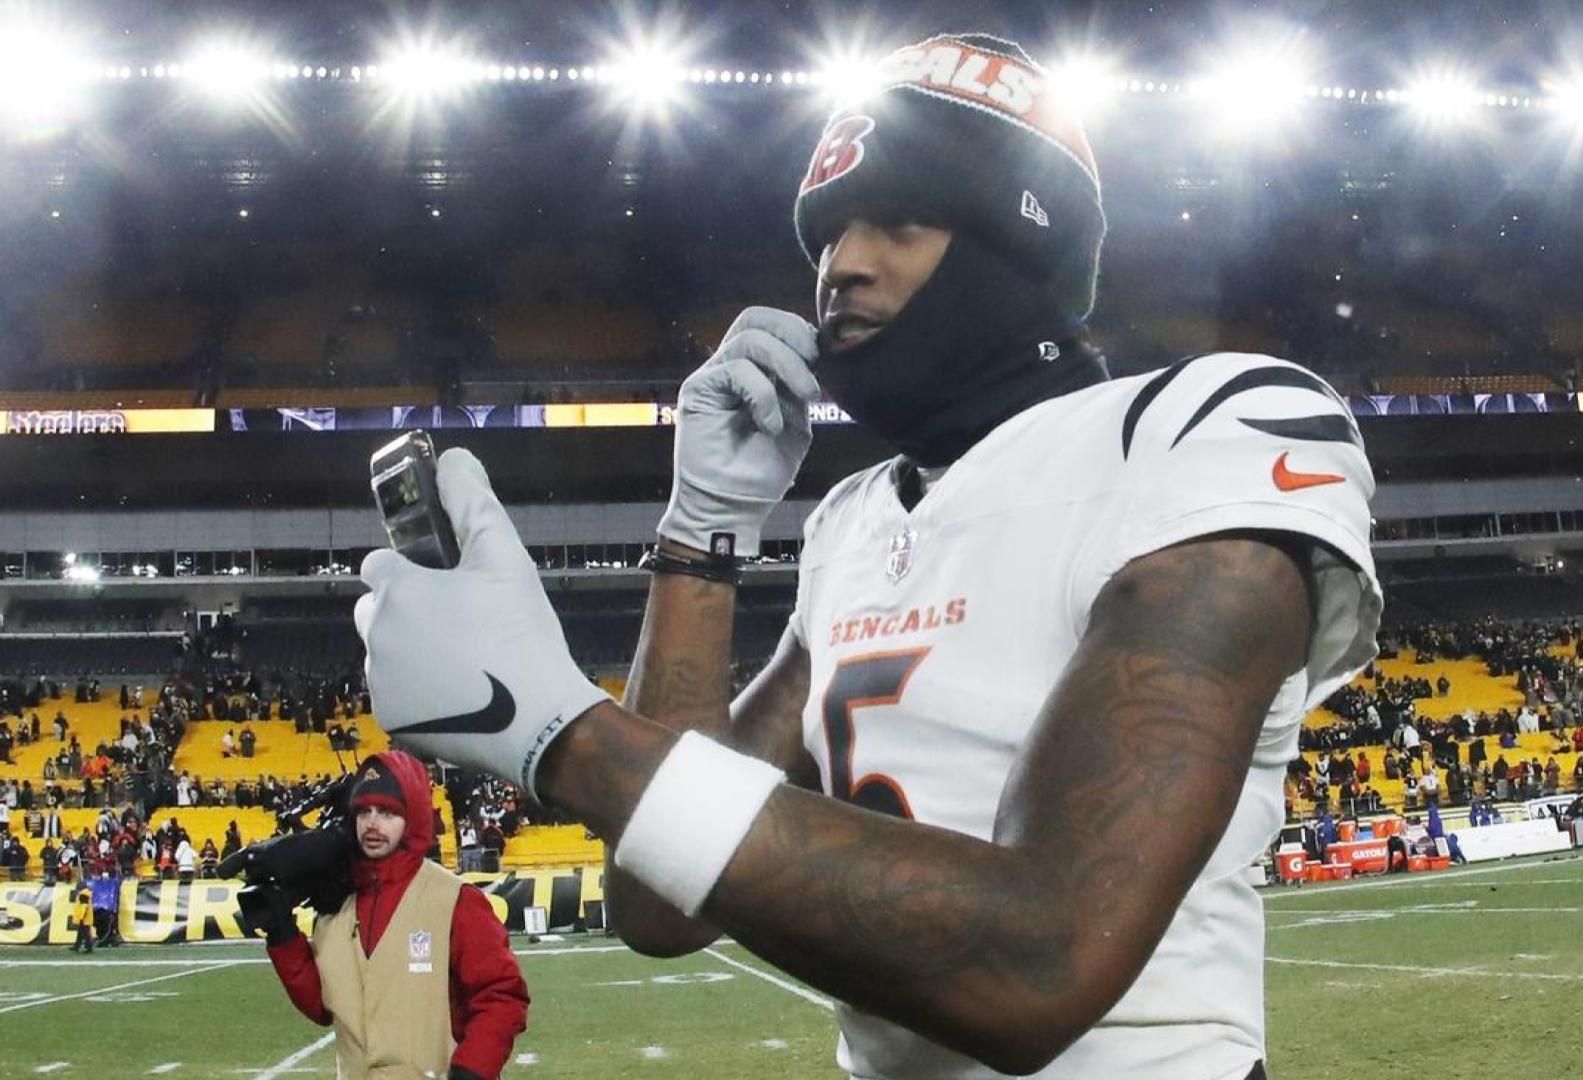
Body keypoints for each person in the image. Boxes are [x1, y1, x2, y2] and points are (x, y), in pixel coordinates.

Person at [353, 31, 1380, 1080]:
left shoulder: (1206, 423)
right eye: (831, 234)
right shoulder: (853, 519)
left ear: (1012, 245)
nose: (843, 263)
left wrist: (550, 727)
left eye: (898, 220)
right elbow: (660, 899)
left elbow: (1044, 960)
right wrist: (701, 533)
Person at [253, 751, 530, 1080]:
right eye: (364, 811)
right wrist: (282, 935)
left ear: (411, 817)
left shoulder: (456, 900)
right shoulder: (336, 906)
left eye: (386, 812)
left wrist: (472, 1070)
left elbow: (501, 995)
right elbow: (324, 1006)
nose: (372, 823)